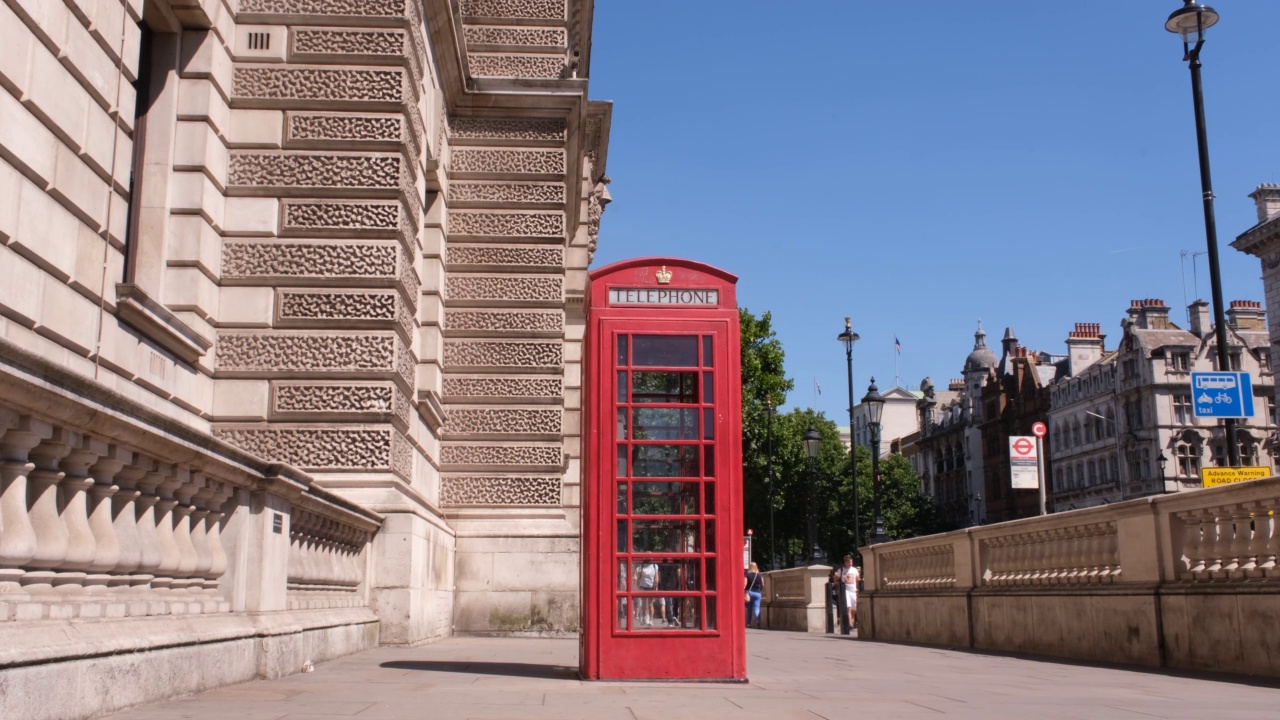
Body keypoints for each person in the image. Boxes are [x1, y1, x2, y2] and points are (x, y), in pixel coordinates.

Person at [634, 559, 660, 627]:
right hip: (643, 587)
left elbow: (656, 577)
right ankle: (643, 617)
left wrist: (656, 586)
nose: (650, 559)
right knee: (644, 604)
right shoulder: (641, 566)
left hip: (651, 587)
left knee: (650, 604)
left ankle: (651, 620)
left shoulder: (655, 566)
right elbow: (638, 577)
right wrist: (638, 586)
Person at [839, 555, 860, 630]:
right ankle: (850, 624)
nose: (850, 563)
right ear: (845, 562)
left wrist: (858, 588)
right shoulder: (841, 570)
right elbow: (836, 579)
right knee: (849, 607)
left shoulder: (854, 570)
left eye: (851, 562)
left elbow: (857, 580)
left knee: (854, 608)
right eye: (849, 562)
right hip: (845, 590)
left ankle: (851, 619)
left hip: (853, 590)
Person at [744, 562, 763, 628]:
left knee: (749, 609)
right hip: (757, 593)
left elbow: (745, 584)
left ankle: (749, 623)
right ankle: (758, 620)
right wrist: (760, 590)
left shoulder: (747, 575)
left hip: (749, 593)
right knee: (757, 608)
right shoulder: (759, 575)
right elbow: (762, 584)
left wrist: (743, 591)